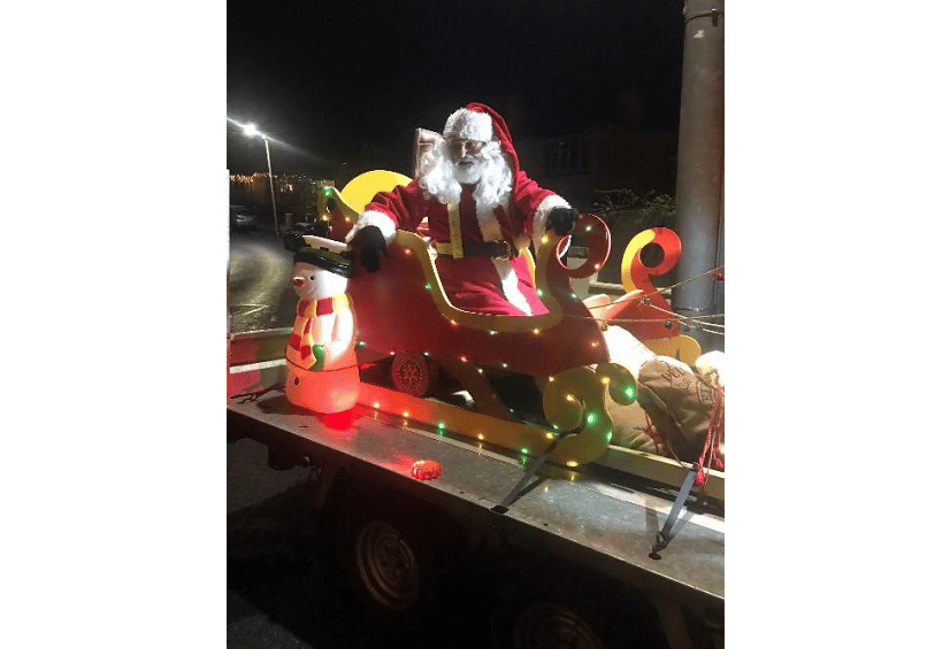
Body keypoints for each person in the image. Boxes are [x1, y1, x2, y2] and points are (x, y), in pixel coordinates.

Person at [345, 102, 578, 316]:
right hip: (462, 283)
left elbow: (535, 198)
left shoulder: (508, 181)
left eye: (471, 144)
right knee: (516, 322)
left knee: (548, 318)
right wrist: (374, 228)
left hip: (516, 278)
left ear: (487, 147)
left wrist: (553, 211)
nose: (463, 153)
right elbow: (398, 203)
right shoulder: (435, 182)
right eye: (456, 145)